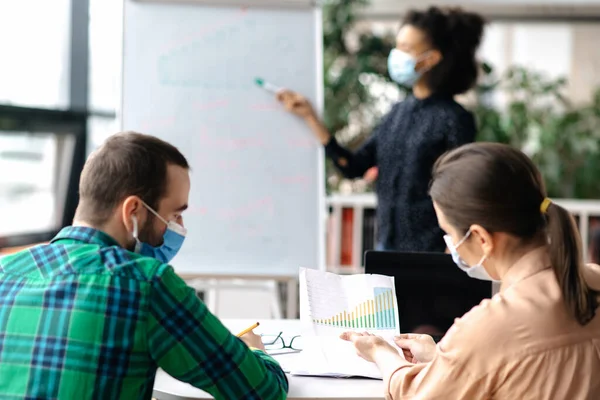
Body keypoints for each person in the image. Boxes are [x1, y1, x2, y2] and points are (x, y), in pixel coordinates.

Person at [0, 132, 288, 400]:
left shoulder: (5, 271)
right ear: (133, 211)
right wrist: (254, 350)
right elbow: (262, 391)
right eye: (174, 214)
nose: (177, 227)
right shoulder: (148, 284)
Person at [341, 142, 600, 399]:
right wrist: (443, 358)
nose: (450, 247)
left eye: (450, 234)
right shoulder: (593, 279)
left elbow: (415, 394)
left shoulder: (489, 325)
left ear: (481, 238)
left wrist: (379, 351)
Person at [278, 7, 485, 252]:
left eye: (406, 49)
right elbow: (353, 167)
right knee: (381, 293)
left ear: (430, 59)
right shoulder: (396, 113)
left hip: (432, 252)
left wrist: (455, 247)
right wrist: (310, 117)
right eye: (397, 46)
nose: (397, 55)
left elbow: (462, 189)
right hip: (386, 246)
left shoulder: (454, 118)